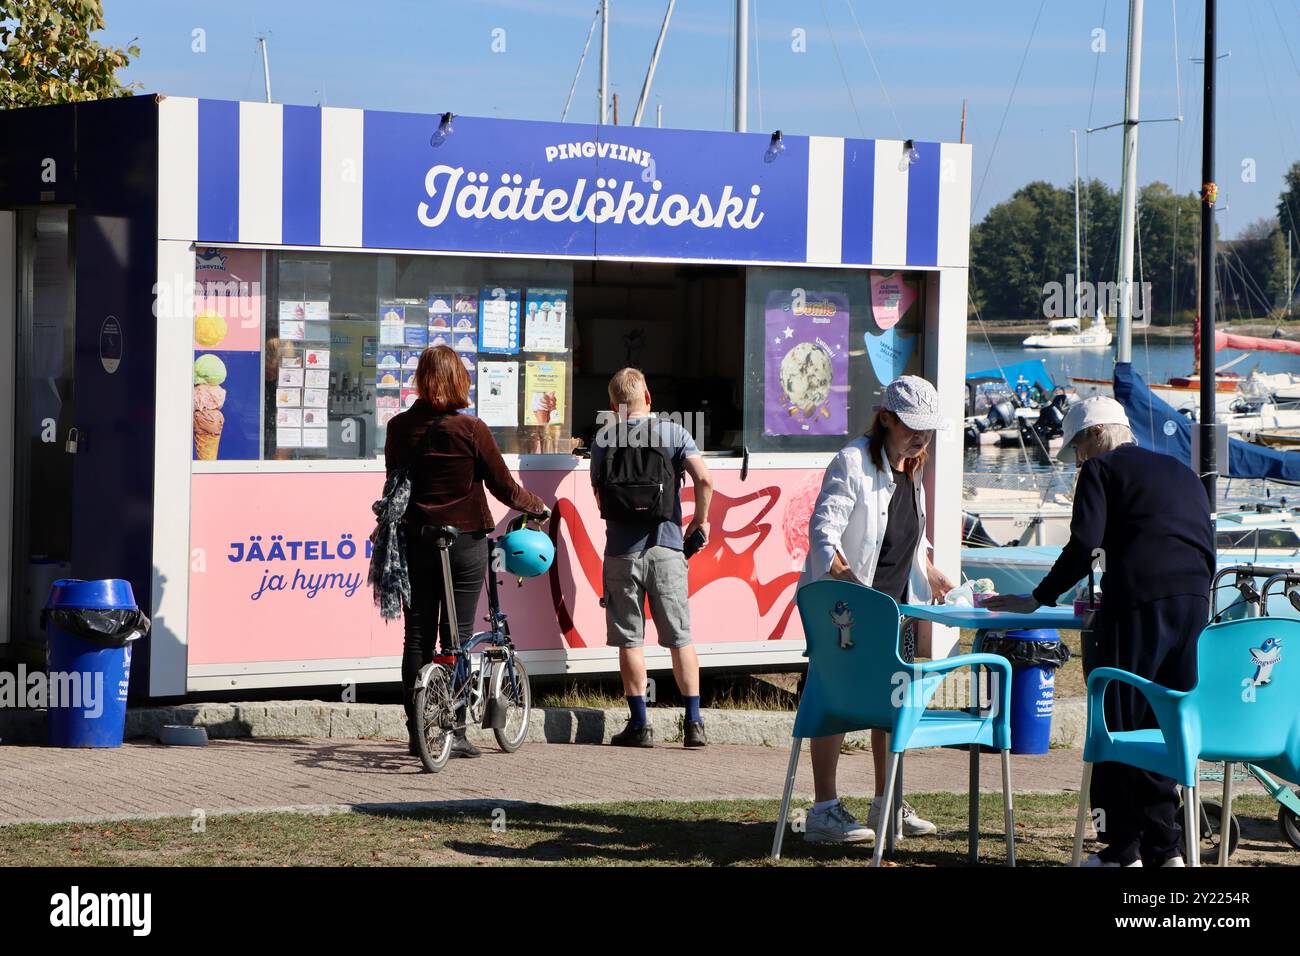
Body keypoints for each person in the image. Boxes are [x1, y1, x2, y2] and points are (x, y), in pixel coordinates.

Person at [984, 396, 1215, 867]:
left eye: (1077, 448)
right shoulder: (1180, 472)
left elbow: (1085, 543)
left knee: (1120, 720)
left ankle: (1126, 849)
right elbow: (1202, 539)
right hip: (1194, 602)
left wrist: (1037, 597)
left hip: (1140, 604)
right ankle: (1164, 848)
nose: (1077, 459)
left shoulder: (1102, 469)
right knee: (1162, 722)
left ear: (1094, 436)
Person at [798, 375, 954, 845]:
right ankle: (824, 809)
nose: (919, 437)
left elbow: (911, 534)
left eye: (926, 429)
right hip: (847, 607)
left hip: (896, 608)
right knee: (835, 703)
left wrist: (933, 570)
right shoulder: (851, 461)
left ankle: (889, 803)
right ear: (886, 419)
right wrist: (847, 582)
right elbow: (824, 531)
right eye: (911, 427)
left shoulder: (914, 465)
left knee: (893, 704)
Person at [384, 345, 549, 759]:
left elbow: (394, 482)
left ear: (421, 381)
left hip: (417, 539)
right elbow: (504, 488)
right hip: (466, 541)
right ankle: (454, 730)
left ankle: (418, 729)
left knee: (416, 635)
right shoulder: (471, 429)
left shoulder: (399, 427)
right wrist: (537, 506)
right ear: (460, 381)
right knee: (454, 635)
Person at [590, 368, 713, 748]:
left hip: (621, 554)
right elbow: (705, 480)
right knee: (680, 638)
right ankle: (693, 723)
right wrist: (698, 521)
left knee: (630, 639)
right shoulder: (675, 433)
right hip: (667, 548)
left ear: (613, 405)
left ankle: (640, 725)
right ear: (648, 397)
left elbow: (599, 497)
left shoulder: (604, 438)